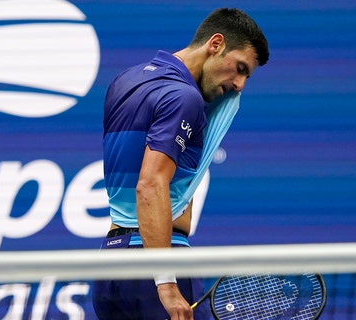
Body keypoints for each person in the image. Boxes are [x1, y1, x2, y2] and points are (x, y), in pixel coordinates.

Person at [92, 8, 269, 320]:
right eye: (239, 68)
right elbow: (149, 185)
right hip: (157, 265)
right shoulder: (183, 97)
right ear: (215, 44)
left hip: (111, 266)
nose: (240, 84)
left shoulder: (125, 81)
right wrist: (166, 283)